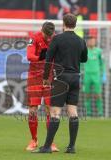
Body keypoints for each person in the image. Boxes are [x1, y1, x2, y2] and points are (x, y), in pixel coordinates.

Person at [33, 13, 88, 153]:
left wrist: (45, 77)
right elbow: (84, 59)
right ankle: (71, 147)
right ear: (75, 25)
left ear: (63, 24)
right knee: (72, 111)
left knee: (55, 112)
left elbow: (48, 60)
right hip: (75, 77)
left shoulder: (57, 39)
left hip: (61, 78)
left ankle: (46, 147)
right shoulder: (81, 41)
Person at [26, 22, 59, 152]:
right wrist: (44, 58)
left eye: (51, 35)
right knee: (33, 110)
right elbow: (29, 56)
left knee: (50, 110)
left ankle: (50, 142)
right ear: (42, 31)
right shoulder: (34, 38)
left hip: (49, 78)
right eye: (47, 35)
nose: (49, 38)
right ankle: (34, 140)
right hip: (34, 78)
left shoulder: (56, 39)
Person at [82, 36, 105, 117]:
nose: (92, 42)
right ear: (87, 42)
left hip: (96, 75)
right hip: (87, 75)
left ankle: (100, 113)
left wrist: (103, 74)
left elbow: (102, 63)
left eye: (93, 41)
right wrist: (79, 74)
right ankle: (88, 113)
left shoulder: (99, 51)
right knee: (87, 95)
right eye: (90, 41)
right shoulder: (84, 51)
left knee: (98, 95)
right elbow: (81, 63)